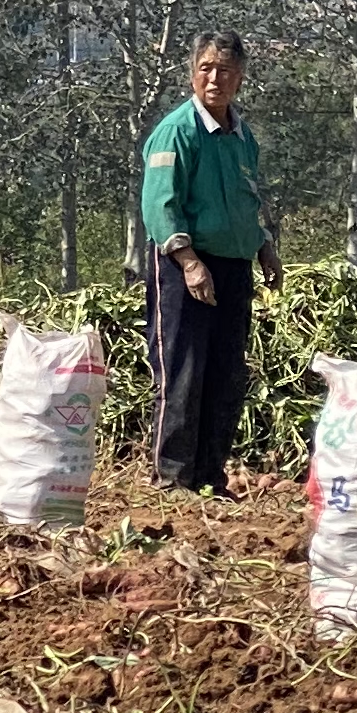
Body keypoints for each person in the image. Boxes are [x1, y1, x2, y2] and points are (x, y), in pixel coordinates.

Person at [138, 30, 280, 494]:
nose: (214, 78)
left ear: (240, 78)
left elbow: (247, 199)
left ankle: (209, 476)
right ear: (192, 72)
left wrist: (263, 245)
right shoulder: (177, 131)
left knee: (225, 375)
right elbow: (161, 204)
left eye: (225, 70)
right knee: (183, 372)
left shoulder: (242, 137)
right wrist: (189, 261)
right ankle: (172, 478)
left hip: (233, 270)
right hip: (186, 271)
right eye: (206, 68)